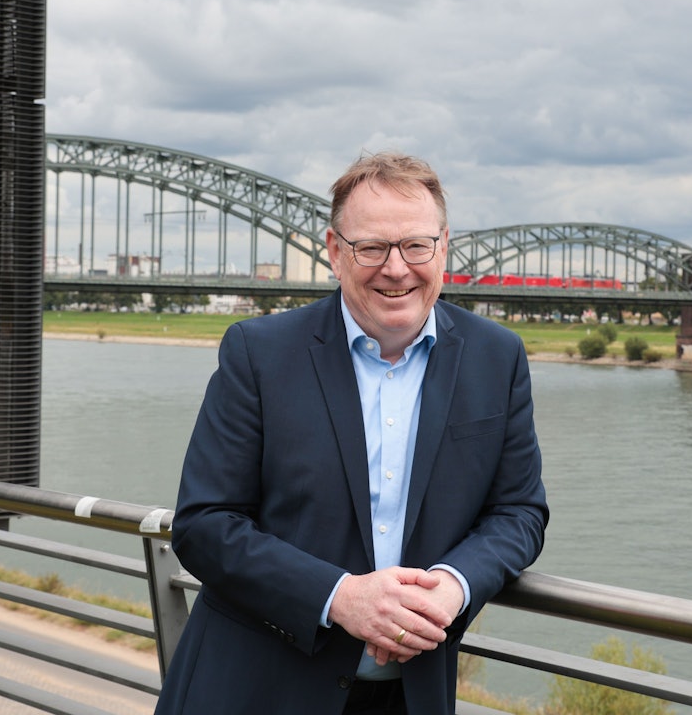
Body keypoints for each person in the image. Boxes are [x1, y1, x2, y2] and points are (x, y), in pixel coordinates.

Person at [154, 151, 549, 715]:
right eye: (372, 247)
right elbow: (205, 525)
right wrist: (340, 597)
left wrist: (454, 584)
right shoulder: (259, 353)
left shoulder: (497, 357)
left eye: (416, 245)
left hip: (410, 698)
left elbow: (519, 513)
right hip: (255, 689)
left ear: (444, 248)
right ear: (335, 252)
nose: (396, 268)